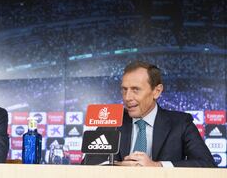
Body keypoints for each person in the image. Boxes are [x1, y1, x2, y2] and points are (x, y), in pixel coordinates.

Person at [83, 61, 216, 167]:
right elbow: (87, 164)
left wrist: (157, 166)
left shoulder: (180, 123)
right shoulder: (110, 121)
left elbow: (207, 164)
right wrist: (119, 167)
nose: (127, 97)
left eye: (135, 89)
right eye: (124, 90)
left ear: (156, 91)